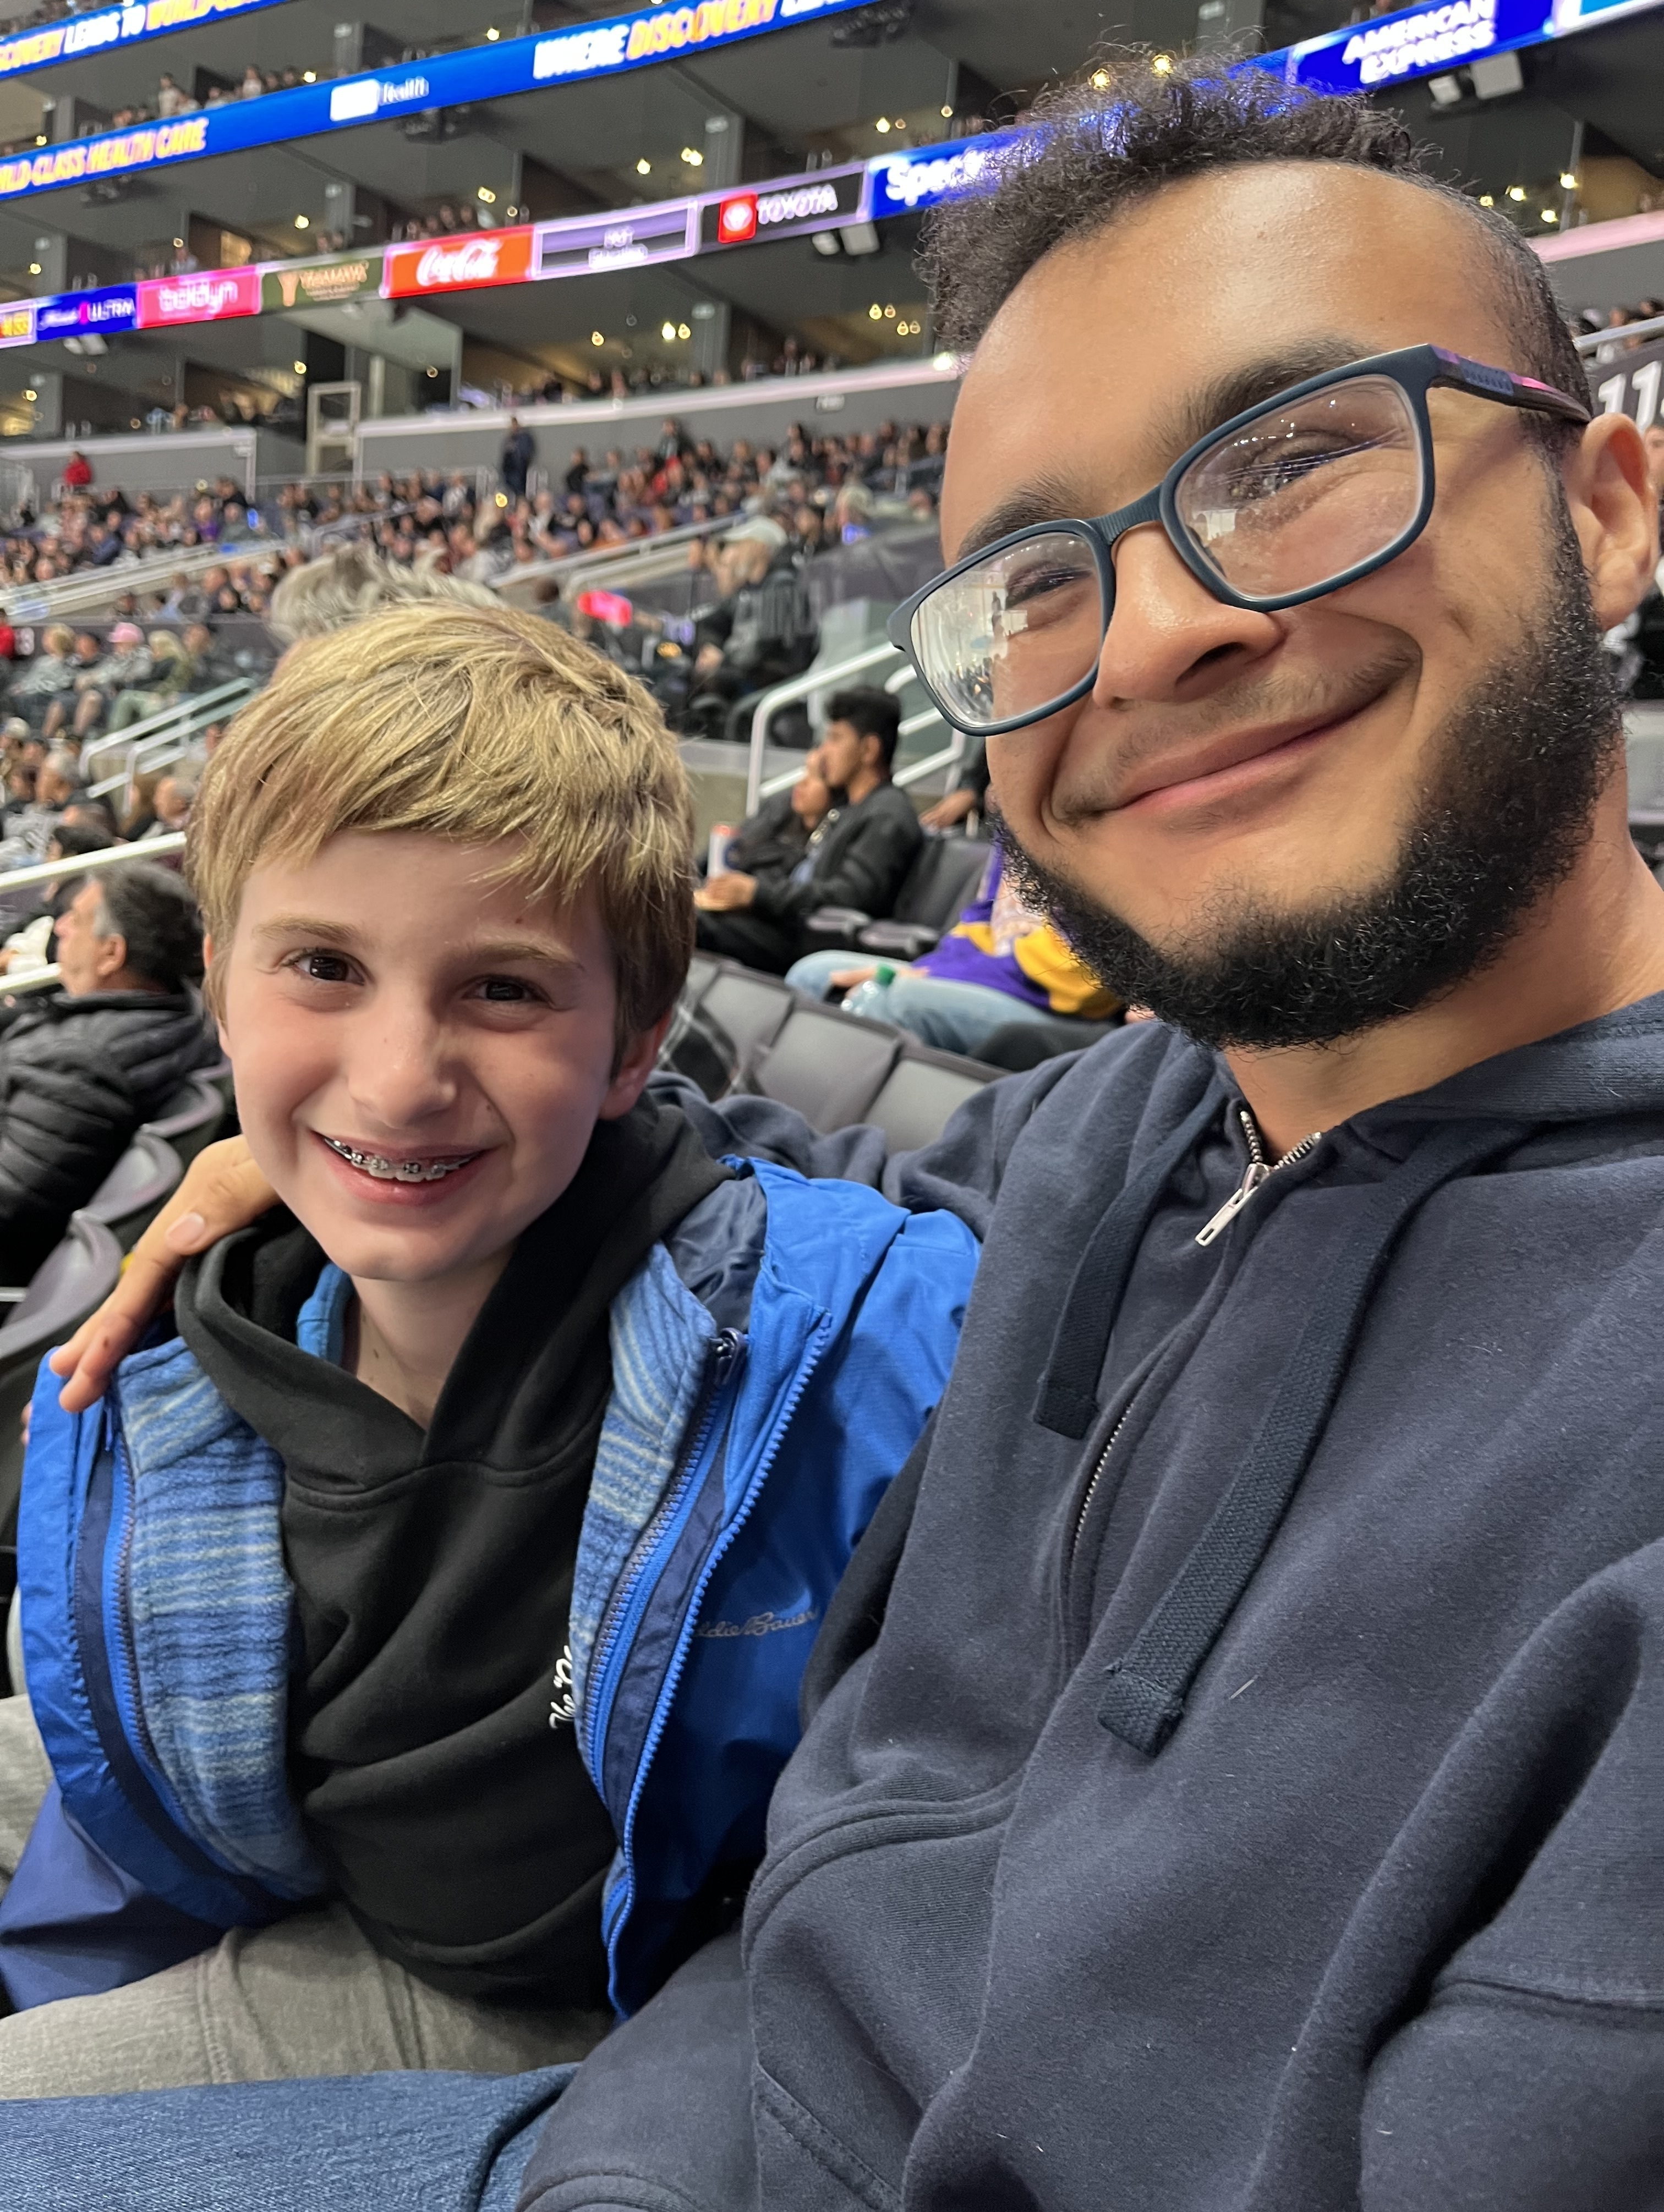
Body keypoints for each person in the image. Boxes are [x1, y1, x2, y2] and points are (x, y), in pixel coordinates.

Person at [25, 53, 1664, 2201]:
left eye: (1293, 462)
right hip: (667, 2106)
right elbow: (721, 1179)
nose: (1160, 632)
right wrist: (331, 1145)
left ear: (1606, 506)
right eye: (1038, 577)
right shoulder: (1106, 1151)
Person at [0, 602, 977, 2097]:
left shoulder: (864, 1360)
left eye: (503, 987)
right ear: (218, 987)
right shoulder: (166, 1375)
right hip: (286, 1861)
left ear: (636, 1042)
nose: (399, 1082)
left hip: (563, 2005)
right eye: (323, 965)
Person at [0, 860, 215, 1282]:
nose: (61, 926)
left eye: (77, 919)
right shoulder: (178, 1012)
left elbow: (11, 1200)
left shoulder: (79, 1064)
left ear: (111, 954)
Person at [785, 843, 1122, 1056]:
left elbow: (1078, 977)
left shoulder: (1104, 828)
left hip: (1057, 1009)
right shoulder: (1015, 819)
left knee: (886, 999)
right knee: (812, 974)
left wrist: (936, 975)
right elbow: (979, 921)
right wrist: (934, 968)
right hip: (992, 979)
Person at [694, 689, 920, 973]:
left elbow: (849, 896)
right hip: (783, 924)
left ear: (869, 750)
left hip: (806, 943)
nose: (824, 751)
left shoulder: (887, 814)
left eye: (835, 739)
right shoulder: (845, 806)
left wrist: (759, 893)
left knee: (688, 924)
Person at [502, 416, 537, 502]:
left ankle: (521, 499)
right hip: (509, 469)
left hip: (520, 470)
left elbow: (526, 453)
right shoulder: (510, 439)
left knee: (519, 489)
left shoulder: (524, 437)